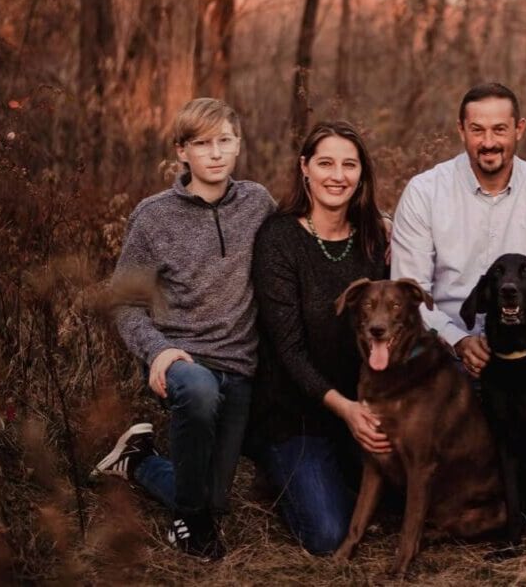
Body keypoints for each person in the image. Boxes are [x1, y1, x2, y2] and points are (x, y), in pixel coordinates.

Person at [93, 98, 276, 561]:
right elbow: (126, 302)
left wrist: (377, 225)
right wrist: (156, 350)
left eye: (225, 141)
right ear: (181, 151)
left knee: (214, 497)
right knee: (197, 392)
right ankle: (189, 526)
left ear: (238, 146)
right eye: (202, 143)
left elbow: (301, 235)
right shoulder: (154, 216)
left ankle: (137, 461)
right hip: (182, 360)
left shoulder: (257, 203)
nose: (215, 153)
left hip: (240, 363)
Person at [244, 121, 389, 555]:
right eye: (325, 163)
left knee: (396, 504)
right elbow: (287, 350)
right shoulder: (279, 238)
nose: (337, 176)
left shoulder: (373, 238)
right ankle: (274, 469)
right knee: (329, 535)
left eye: (349, 164)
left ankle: (320, 474)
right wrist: (345, 409)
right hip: (294, 412)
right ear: (304, 168)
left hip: (357, 405)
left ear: (362, 174)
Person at [390, 82, 526, 382]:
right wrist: (457, 340)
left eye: (499, 129)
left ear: (519, 129)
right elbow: (410, 291)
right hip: (445, 341)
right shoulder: (425, 192)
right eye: (477, 130)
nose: (488, 142)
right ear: (461, 130)